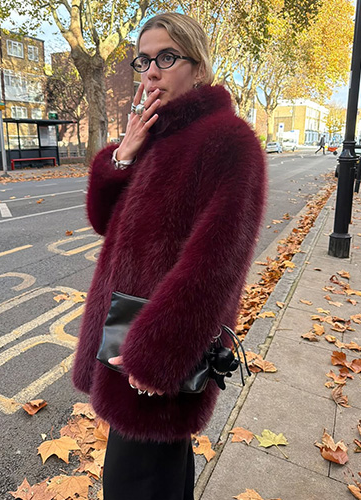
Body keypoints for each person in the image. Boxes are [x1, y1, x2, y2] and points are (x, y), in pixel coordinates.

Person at [72, 12, 266, 500]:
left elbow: (217, 265)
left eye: (167, 58)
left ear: (198, 67)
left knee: (135, 483)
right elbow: (103, 221)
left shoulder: (229, 141)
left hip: (155, 350)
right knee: (159, 477)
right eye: (144, 60)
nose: (152, 71)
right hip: (125, 340)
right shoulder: (153, 136)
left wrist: (158, 356)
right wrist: (124, 155)